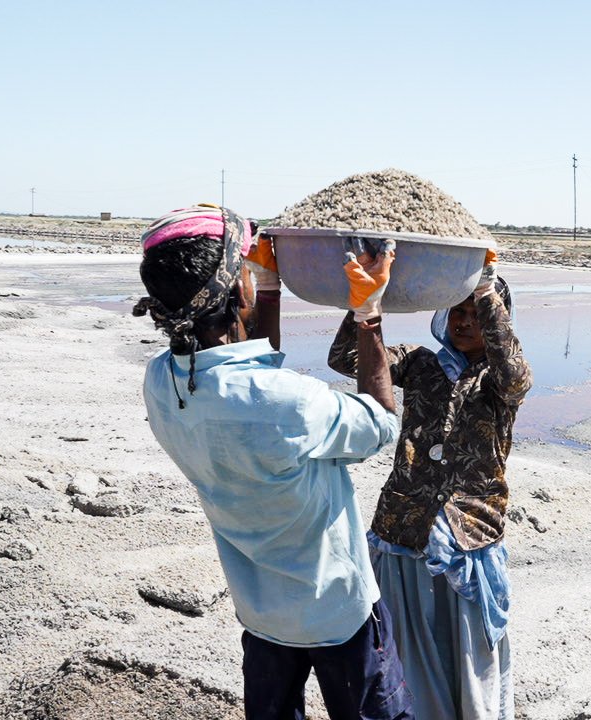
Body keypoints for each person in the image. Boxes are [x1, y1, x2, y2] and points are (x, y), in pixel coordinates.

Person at [134, 204, 415, 720]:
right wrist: (369, 313)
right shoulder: (289, 403)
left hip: (262, 615)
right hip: (338, 612)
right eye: (245, 268)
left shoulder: (161, 384)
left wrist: (266, 289)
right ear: (235, 292)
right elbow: (380, 424)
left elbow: (257, 376)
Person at [329, 249, 532, 720]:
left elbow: (515, 372)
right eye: (457, 311)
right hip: (404, 531)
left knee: (466, 650)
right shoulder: (420, 364)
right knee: (404, 645)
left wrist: (483, 286)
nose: (465, 322)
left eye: (476, 314)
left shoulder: (502, 381)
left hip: (468, 536)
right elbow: (343, 358)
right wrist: (367, 301)